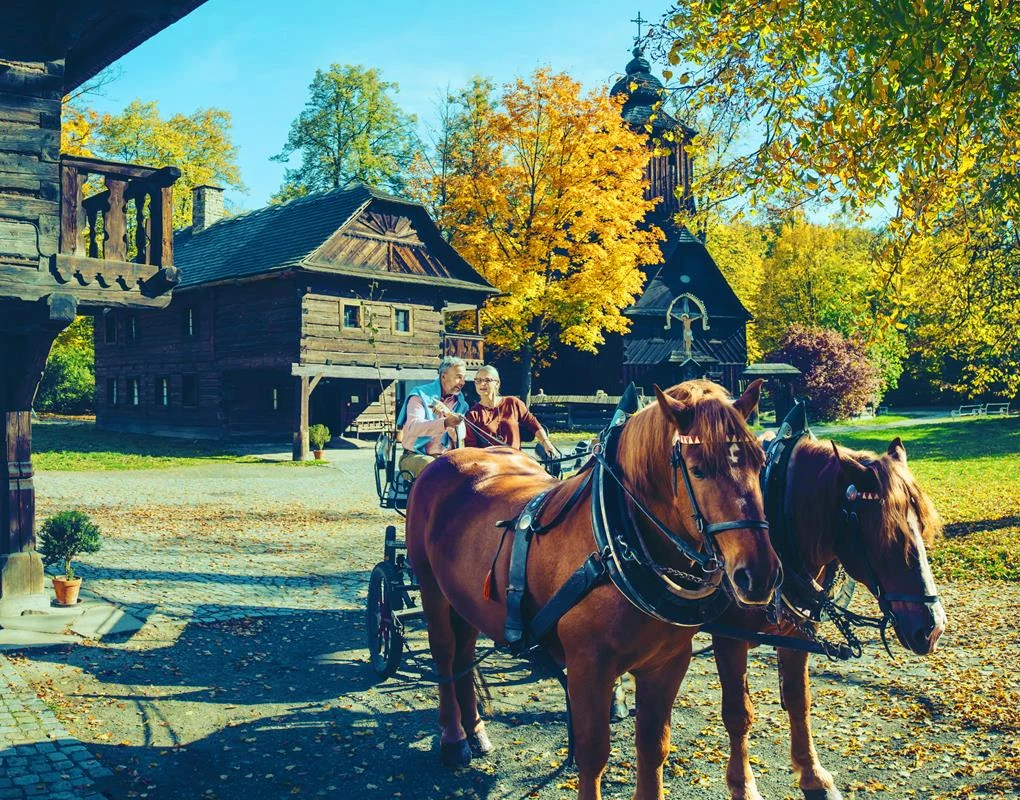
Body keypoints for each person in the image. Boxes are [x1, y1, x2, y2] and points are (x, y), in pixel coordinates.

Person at [463, 365, 561, 458]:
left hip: (515, 461)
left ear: (497, 383)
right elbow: (471, 447)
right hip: (490, 465)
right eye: (478, 380)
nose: (482, 384)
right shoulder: (472, 414)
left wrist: (546, 442)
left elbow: (533, 423)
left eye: (487, 380)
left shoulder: (513, 403)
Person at [396, 357, 468, 479]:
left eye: (464, 378)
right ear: (443, 376)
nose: (463, 382)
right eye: (458, 377)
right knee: (432, 467)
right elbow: (414, 427)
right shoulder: (419, 395)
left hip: (445, 458)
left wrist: (449, 419)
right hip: (415, 456)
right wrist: (444, 423)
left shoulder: (462, 404)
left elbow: (460, 437)